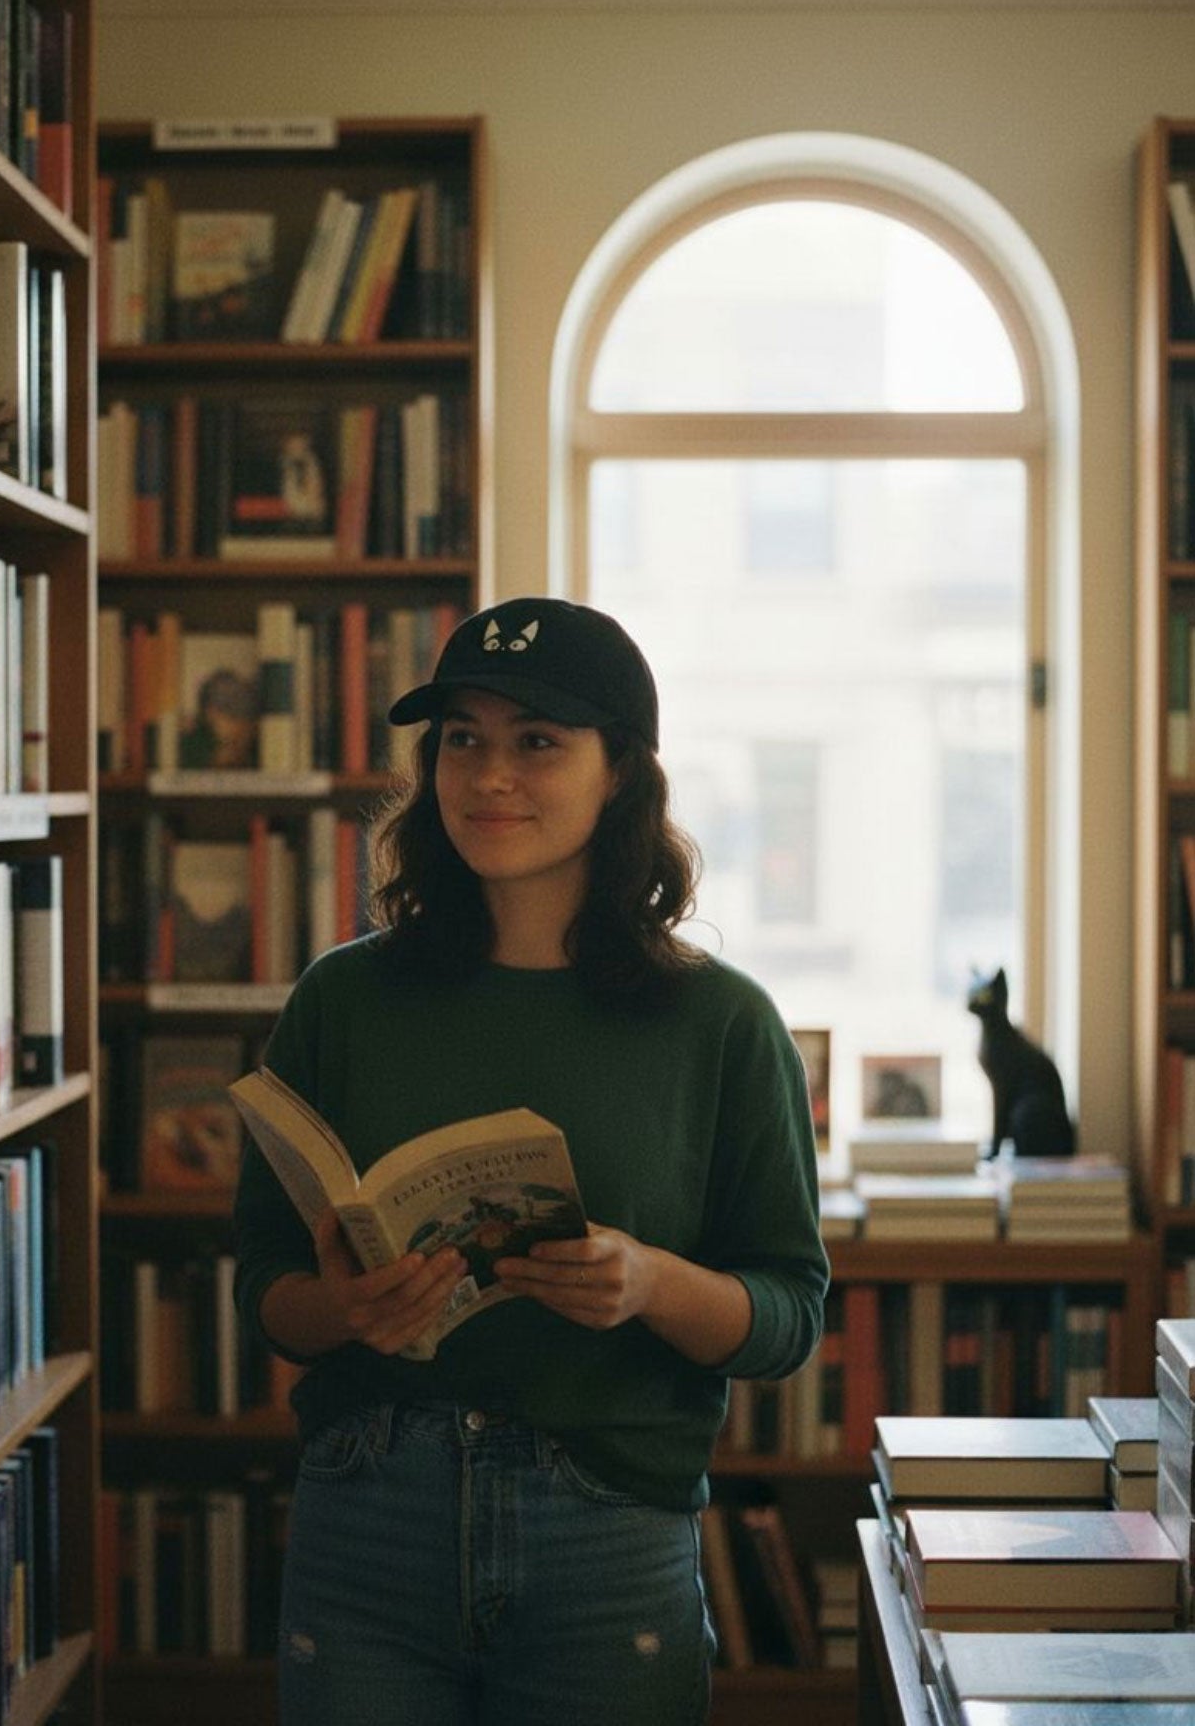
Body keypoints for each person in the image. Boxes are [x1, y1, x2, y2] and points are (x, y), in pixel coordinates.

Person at [232, 595, 829, 1725]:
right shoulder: (343, 999)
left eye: (537, 741)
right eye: (464, 739)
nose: (488, 775)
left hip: (606, 1526)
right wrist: (347, 1308)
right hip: (369, 1514)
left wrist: (650, 1284)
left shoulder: (723, 1024)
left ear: (621, 775)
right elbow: (266, 1292)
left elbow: (788, 1316)